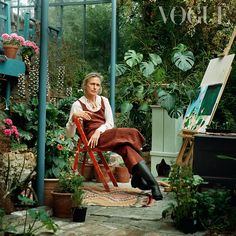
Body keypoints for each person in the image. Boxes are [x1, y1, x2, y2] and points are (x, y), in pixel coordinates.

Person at [66, 72, 163, 200]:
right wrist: (74, 117)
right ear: (85, 85)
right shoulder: (77, 105)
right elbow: (70, 134)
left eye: (97, 85)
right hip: (92, 140)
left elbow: (110, 123)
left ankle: (147, 182)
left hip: (106, 134)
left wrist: (98, 131)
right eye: (92, 84)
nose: (95, 87)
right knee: (132, 132)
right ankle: (141, 178)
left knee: (127, 148)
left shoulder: (103, 101)